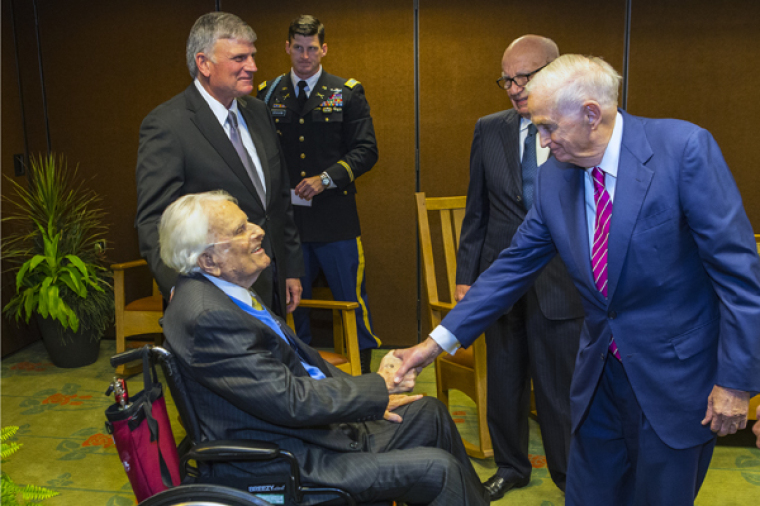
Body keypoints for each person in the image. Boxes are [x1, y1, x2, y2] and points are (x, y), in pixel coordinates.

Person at [394, 54, 760, 505]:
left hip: (676, 379)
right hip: (599, 379)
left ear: (591, 114)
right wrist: (433, 344)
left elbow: (739, 275)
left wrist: (737, 382)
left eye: (548, 127)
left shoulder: (683, 149)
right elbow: (512, 266)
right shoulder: (555, 178)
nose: (543, 144)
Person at [158, 191, 489, 506]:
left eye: (249, 222)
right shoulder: (209, 316)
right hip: (289, 459)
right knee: (439, 469)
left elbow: (304, 363)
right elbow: (291, 401)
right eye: (241, 229)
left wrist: (371, 396)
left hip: (309, 431)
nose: (259, 231)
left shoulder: (222, 290)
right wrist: (379, 387)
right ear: (208, 260)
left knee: (429, 413)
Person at [456, 35, 583, 499]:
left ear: (555, 71)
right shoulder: (489, 129)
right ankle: (511, 466)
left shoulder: (577, 130)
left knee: (558, 389)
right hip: (499, 279)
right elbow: (477, 211)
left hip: (561, 282)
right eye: (506, 78)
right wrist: (466, 277)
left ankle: (569, 475)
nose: (513, 88)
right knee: (505, 381)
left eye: (523, 77)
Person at [135, 12, 303, 316]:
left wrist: (290, 266)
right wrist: (177, 287)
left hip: (269, 279)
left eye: (252, 56)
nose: (252, 66)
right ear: (204, 63)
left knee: (273, 361)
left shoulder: (258, 112)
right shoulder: (167, 125)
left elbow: (277, 201)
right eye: (239, 58)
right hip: (211, 294)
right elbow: (154, 220)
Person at [257, 15, 380, 372]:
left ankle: (363, 381)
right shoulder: (268, 92)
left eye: (312, 48)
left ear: (323, 49)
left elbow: (366, 150)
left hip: (335, 222)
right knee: (294, 308)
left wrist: (325, 179)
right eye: (298, 47)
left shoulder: (346, 92)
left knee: (352, 304)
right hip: (288, 225)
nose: (305, 55)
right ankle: (302, 383)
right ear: (287, 47)